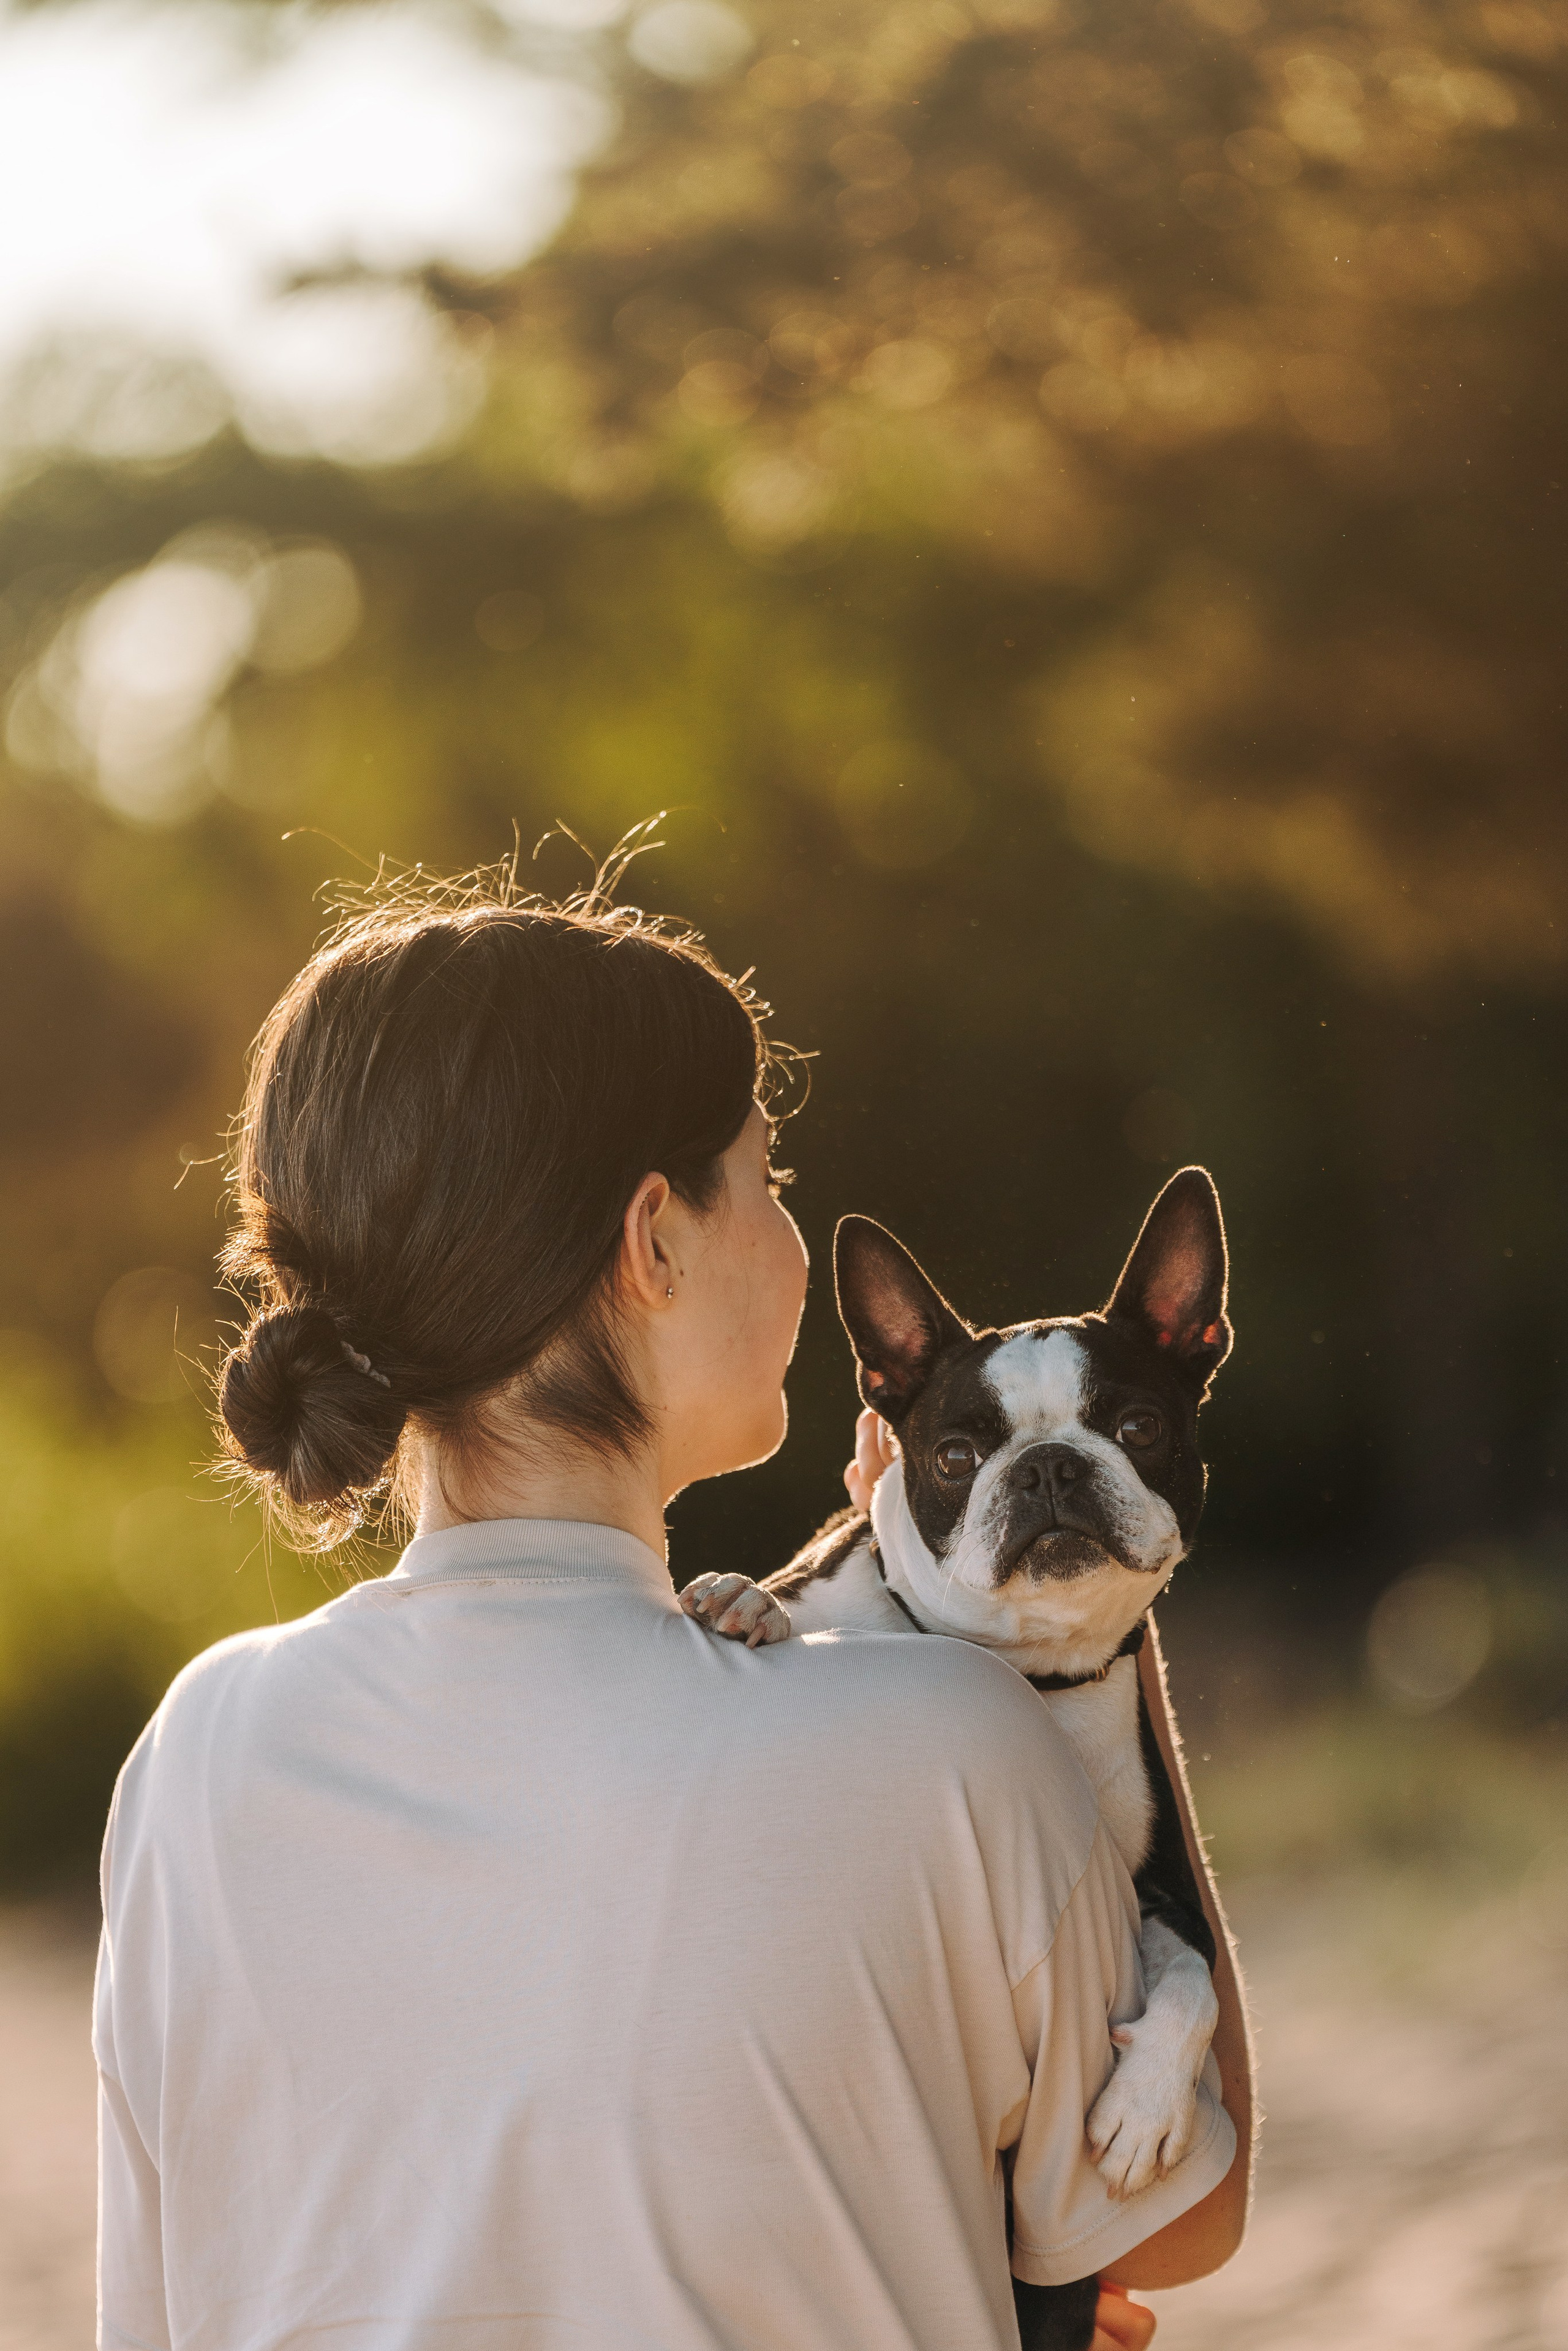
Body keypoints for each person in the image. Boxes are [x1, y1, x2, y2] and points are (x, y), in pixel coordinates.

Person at [94, 878, 1253, 2351]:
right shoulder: (948, 1745)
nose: (793, 1233)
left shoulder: (196, 1748)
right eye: (770, 1178)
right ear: (654, 1239)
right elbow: (1174, 2216)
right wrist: (1092, 1630)